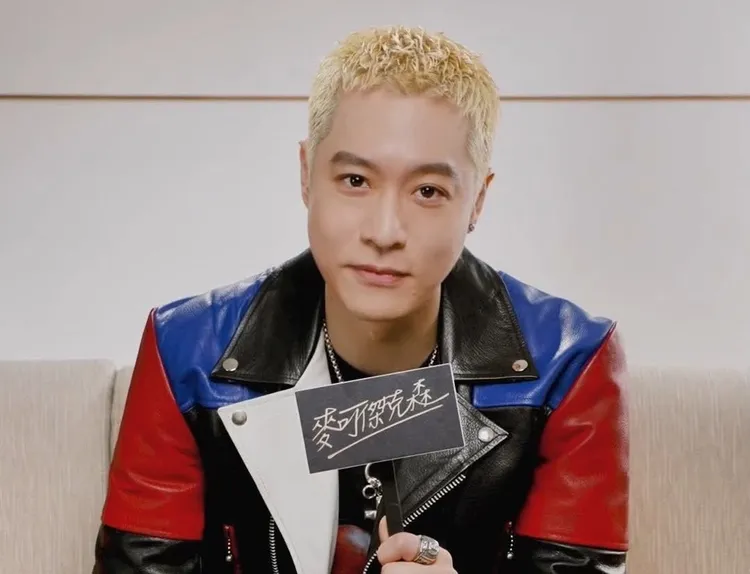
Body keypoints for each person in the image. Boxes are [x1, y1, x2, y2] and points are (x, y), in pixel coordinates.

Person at [92, 25, 629, 574]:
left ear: (477, 201)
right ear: (307, 175)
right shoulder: (185, 353)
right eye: (354, 180)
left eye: (428, 191)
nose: (384, 231)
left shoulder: (569, 363)